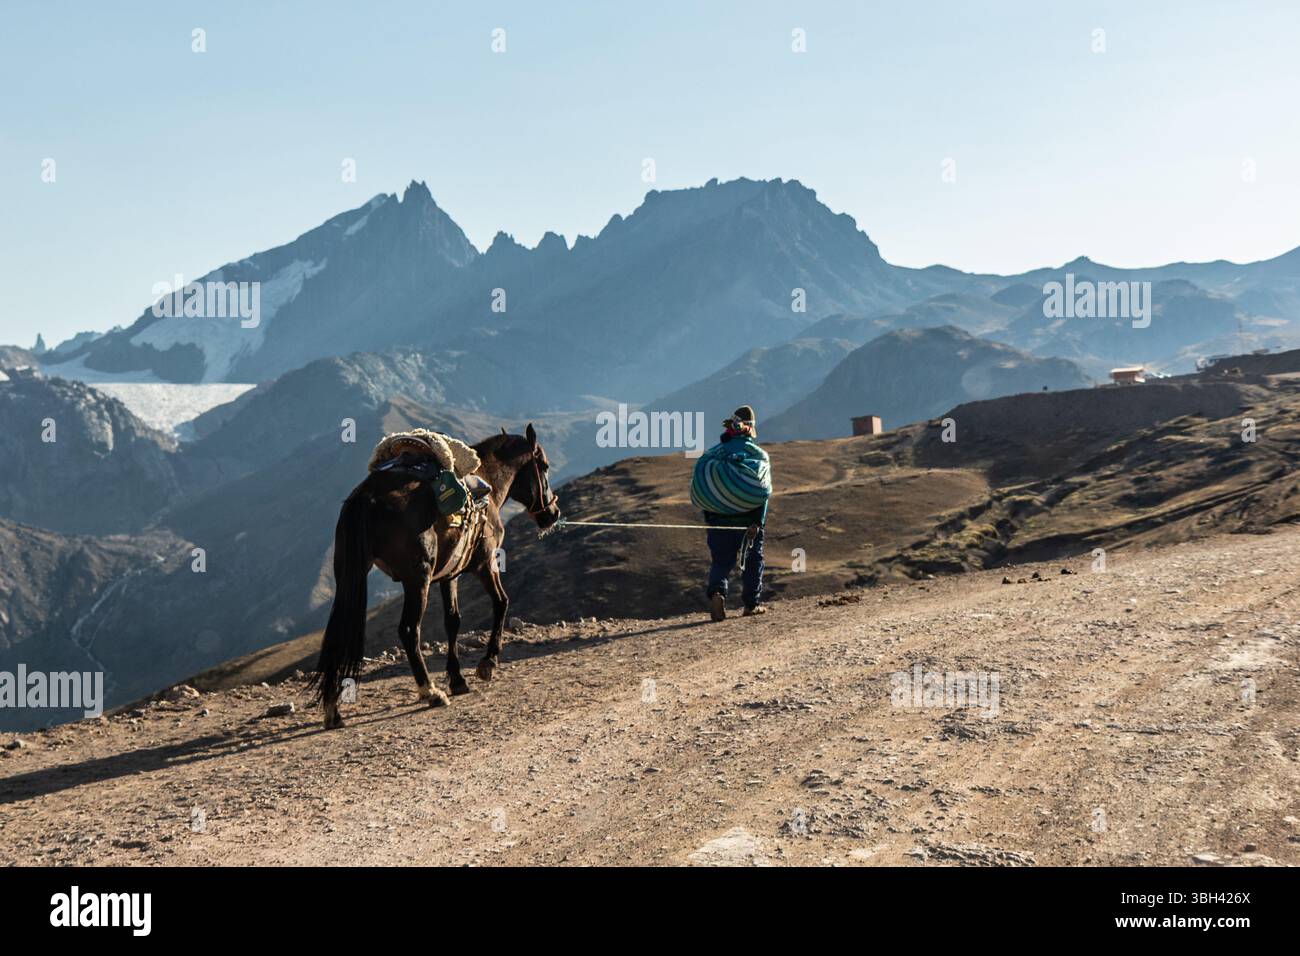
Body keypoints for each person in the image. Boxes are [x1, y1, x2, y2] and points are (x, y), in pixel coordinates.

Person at [690, 405, 771, 621]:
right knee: (753, 561)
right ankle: (751, 604)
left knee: (721, 562)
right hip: (748, 524)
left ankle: (717, 593)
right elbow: (761, 494)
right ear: (750, 430)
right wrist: (757, 522)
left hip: (719, 522)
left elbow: (707, 489)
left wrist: (711, 519)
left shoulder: (713, 454)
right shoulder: (758, 456)